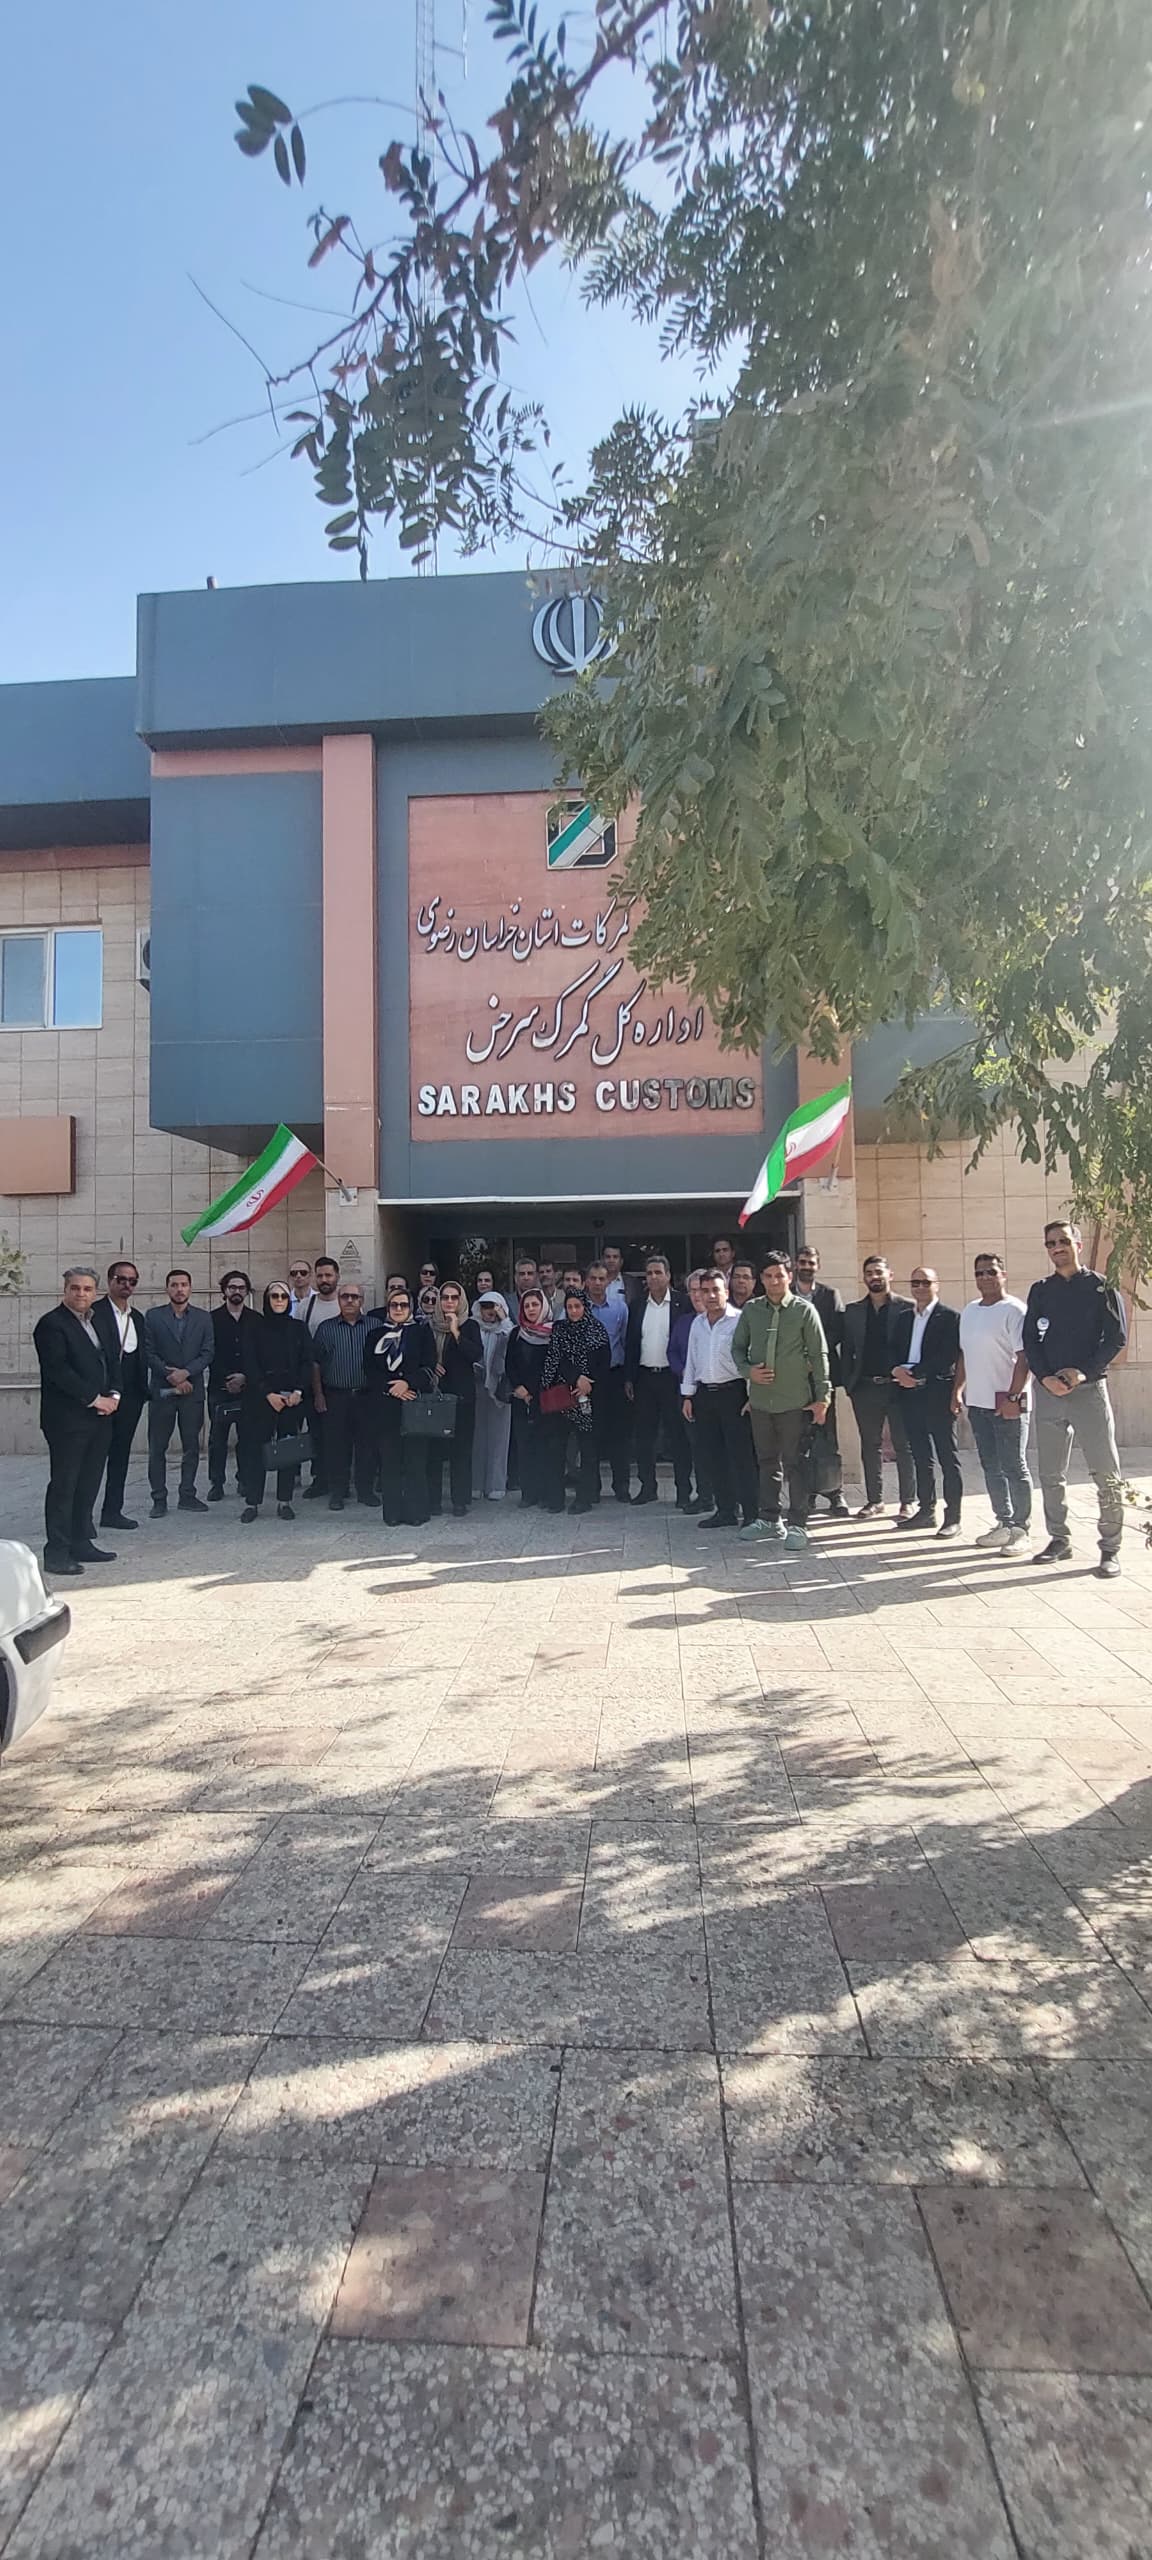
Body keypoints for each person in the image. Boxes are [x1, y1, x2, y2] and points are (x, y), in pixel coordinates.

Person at [1023, 1219, 1127, 1575]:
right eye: (1051, 1243)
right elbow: (1030, 1341)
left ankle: (1110, 1549)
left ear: (1078, 1245)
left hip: (1088, 1391)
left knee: (1106, 1472)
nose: (1057, 1248)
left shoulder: (1100, 1287)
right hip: (1049, 1393)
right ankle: (1059, 1539)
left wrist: (1084, 1372)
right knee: (1051, 1473)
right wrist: (1044, 1378)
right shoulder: (1041, 1291)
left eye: (1064, 1241)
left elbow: (1116, 1337)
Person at [732, 1251, 830, 1550]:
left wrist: (823, 1397)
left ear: (789, 1276)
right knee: (766, 1462)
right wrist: (748, 1371)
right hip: (762, 1402)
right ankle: (769, 1519)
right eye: (768, 1276)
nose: (774, 1281)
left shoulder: (804, 1311)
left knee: (795, 1463)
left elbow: (819, 1355)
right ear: (761, 1279)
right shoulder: (752, 1310)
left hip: (794, 1402)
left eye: (779, 1275)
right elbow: (737, 1348)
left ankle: (798, 1524)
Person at [34, 1266, 121, 1575]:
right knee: (65, 1485)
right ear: (65, 1290)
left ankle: (81, 1541)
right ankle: (57, 1552)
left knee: (88, 1483)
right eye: (75, 1288)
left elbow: (112, 1362)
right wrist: (93, 1398)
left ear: (95, 1292)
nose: (81, 1293)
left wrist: (114, 1396)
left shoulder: (97, 1322)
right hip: (68, 1420)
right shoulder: (51, 1324)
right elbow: (58, 1371)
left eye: (87, 1289)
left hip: (101, 1417)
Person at [953, 1254, 1033, 1554]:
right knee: (991, 1466)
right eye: (980, 1273)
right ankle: (1004, 1522)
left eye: (991, 1272)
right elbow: (964, 1355)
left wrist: (1013, 1397)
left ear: (1003, 1274)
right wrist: (957, 1390)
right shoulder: (970, 1311)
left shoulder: (1014, 1310)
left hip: (1008, 1403)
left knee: (1015, 1466)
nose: (985, 1277)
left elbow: (1024, 1358)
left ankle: (1021, 1529)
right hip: (979, 1403)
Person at [680, 1270, 759, 1531]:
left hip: (734, 1394)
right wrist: (688, 1394)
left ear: (726, 1291)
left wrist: (752, 1396)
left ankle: (751, 1513)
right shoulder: (698, 1324)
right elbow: (692, 1360)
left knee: (741, 1457)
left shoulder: (740, 1320)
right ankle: (725, 1510)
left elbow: (751, 1358)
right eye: (705, 1291)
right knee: (713, 1456)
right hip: (705, 1395)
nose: (711, 1296)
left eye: (716, 1290)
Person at [840, 1255, 917, 1520]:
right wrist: (849, 1384)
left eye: (879, 1271)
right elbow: (847, 1350)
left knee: (904, 1444)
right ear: (864, 1278)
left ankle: (908, 1501)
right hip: (865, 1387)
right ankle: (875, 1500)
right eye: (869, 1272)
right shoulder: (853, 1311)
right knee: (869, 1445)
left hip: (898, 1387)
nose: (874, 1276)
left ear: (890, 1275)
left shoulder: (907, 1308)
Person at [889, 1267, 963, 1537]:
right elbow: (893, 1349)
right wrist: (897, 1371)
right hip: (908, 1394)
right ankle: (926, 1510)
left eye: (926, 1282)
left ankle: (953, 1516)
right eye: (915, 1282)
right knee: (920, 1454)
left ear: (936, 1285)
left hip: (937, 1392)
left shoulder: (950, 1317)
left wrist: (916, 1375)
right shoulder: (904, 1317)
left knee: (947, 1456)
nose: (920, 1287)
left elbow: (948, 1356)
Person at [364, 1284, 437, 1527]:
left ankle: (417, 1512)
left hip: (414, 1403)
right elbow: (369, 1369)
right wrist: (391, 1388)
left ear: (410, 1308)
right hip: (385, 1405)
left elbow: (429, 1365)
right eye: (394, 1305)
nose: (398, 1309)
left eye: (403, 1305)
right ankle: (393, 1512)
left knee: (416, 1461)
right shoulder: (375, 1335)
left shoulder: (421, 1332)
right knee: (390, 1462)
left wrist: (407, 1383)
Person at [625, 1254, 693, 1508]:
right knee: (644, 1436)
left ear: (668, 1276)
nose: (653, 1277)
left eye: (658, 1272)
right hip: (644, 1378)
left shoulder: (682, 1303)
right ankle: (647, 1487)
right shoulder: (637, 1305)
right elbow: (632, 1344)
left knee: (678, 1437)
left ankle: (683, 1491)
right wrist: (629, 1378)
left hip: (672, 1379)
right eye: (649, 1273)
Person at [143, 1270, 213, 1517]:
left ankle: (187, 1494)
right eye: (174, 1285)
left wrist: (186, 1373)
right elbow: (148, 1352)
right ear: (167, 1289)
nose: (179, 1289)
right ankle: (159, 1498)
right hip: (162, 1390)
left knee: (191, 1446)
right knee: (157, 1447)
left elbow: (208, 1352)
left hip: (192, 1391)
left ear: (190, 1288)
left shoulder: (203, 1318)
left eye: (184, 1284)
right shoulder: (153, 1317)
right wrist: (169, 1374)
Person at [240, 1284, 312, 1523]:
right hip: (261, 1398)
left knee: (287, 1450)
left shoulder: (298, 1328)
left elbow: (307, 1361)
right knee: (255, 1450)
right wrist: (268, 1393)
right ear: (267, 1299)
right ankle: (252, 1502)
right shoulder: (254, 1328)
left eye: (283, 1296)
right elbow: (250, 1363)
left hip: (291, 1398)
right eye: (274, 1296)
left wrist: (299, 1391)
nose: (279, 1300)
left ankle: (285, 1501)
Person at [539, 1289, 610, 1512]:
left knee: (588, 1450)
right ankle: (555, 1498)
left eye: (577, 1306)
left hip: (588, 1396)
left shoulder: (597, 1329)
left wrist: (588, 1383)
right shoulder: (559, 1329)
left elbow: (604, 1363)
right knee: (556, 1448)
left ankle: (585, 1498)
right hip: (562, 1395)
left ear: (585, 1307)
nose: (573, 1311)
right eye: (569, 1307)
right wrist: (575, 1378)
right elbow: (555, 1359)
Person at [793, 1244, 849, 1516]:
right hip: (794, 1377)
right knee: (800, 1438)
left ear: (818, 1265)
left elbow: (837, 1330)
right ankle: (807, 1493)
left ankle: (835, 1493)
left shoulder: (830, 1295)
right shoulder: (786, 1294)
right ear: (795, 1264)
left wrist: (813, 1354)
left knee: (828, 1434)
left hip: (823, 1376)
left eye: (811, 1263)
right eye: (802, 1262)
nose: (806, 1267)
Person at [312, 1282, 376, 1511]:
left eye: (355, 1297)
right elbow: (315, 1364)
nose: (350, 1300)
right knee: (336, 1447)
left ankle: (365, 1491)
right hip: (335, 1396)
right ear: (339, 1300)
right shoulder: (325, 1328)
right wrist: (318, 1394)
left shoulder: (375, 1326)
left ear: (362, 1301)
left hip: (366, 1397)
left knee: (366, 1446)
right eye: (345, 1296)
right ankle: (338, 1492)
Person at [93, 1258, 145, 1531]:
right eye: (121, 1279)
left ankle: (112, 1510)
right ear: (110, 1281)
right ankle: (82, 1518)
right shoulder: (96, 1312)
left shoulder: (137, 1317)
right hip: (103, 1395)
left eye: (132, 1281)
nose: (126, 1285)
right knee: (94, 1456)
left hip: (132, 1396)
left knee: (120, 1454)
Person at [428, 1280, 482, 1517]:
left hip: (462, 1396)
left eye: (454, 1297)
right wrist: (432, 1365)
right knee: (434, 1451)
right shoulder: (429, 1326)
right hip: (435, 1396)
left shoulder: (470, 1325)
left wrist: (456, 1331)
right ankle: (433, 1501)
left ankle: (460, 1500)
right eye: (445, 1297)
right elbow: (420, 1356)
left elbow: (475, 1354)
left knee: (461, 1451)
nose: (449, 1301)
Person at [208, 1271, 260, 1501]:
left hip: (249, 1388)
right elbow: (208, 1352)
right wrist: (227, 1379)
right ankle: (216, 1483)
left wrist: (245, 1377)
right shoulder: (211, 1319)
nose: (236, 1291)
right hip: (220, 1388)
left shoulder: (256, 1320)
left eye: (241, 1287)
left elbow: (260, 1354)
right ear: (224, 1290)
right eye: (232, 1287)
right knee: (217, 1439)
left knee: (247, 1438)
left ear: (247, 1291)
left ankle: (245, 1480)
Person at [585, 1260, 632, 1499]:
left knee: (618, 1434)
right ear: (586, 1281)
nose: (597, 1283)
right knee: (589, 1435)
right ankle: (591, 1488)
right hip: (586, 1381)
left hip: (614, 1377)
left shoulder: (620, 1308)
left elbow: (625, 1342)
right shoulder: (576, 1307)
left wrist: (627, 1378)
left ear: (608, 1281)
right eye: (593, 1278)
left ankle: (621, 1486)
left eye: (601, 1279)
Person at [297, 1254, 341, 1497]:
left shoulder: (345, 1302)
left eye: (329, 1275)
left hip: (340, 1379)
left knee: (339, 1434)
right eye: (321, 1275)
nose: (324, 1280)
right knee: (316, 1432)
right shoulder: (306, 1306)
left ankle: (340, 1480)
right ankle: (319, 1479)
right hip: (312, 1380)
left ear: (337, 1277)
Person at [669, 1268, 712, 1514]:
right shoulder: (684, 1322)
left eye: (700, 1290)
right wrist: (682, 1369)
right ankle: (705, 1495)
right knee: (697, 1447)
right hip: (687, 1392)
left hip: (715, 1391)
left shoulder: (726, 1320)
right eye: (692, 1291)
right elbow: (672, 1351)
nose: (696, 1295)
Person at [506, 1284, 552, 1506]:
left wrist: (538, 1390)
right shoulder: (516, 1333)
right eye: (527, 1305)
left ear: (543, 1306)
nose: (531, 1309)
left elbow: (555, 1364)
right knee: (524, 1446)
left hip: (545, 1398)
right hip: (521, 1398)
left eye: (535, 1304)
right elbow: (509, 1363)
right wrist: (519, 1387)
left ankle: (544, 1492)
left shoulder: (553, 1332)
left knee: (545, 1447)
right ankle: (528, 1493)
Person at [473, 1291, 514, 1498]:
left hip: (500, 1389)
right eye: (485, 1306)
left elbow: (512, 1345)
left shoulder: (507, 1330)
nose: (489, 1311)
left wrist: (503, 1318)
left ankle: (496, 1485)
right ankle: (476, 1484)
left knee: (499, 1438)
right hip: (477, 1387)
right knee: (477, 1437)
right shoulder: (473, 1328)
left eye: (493, 1306)